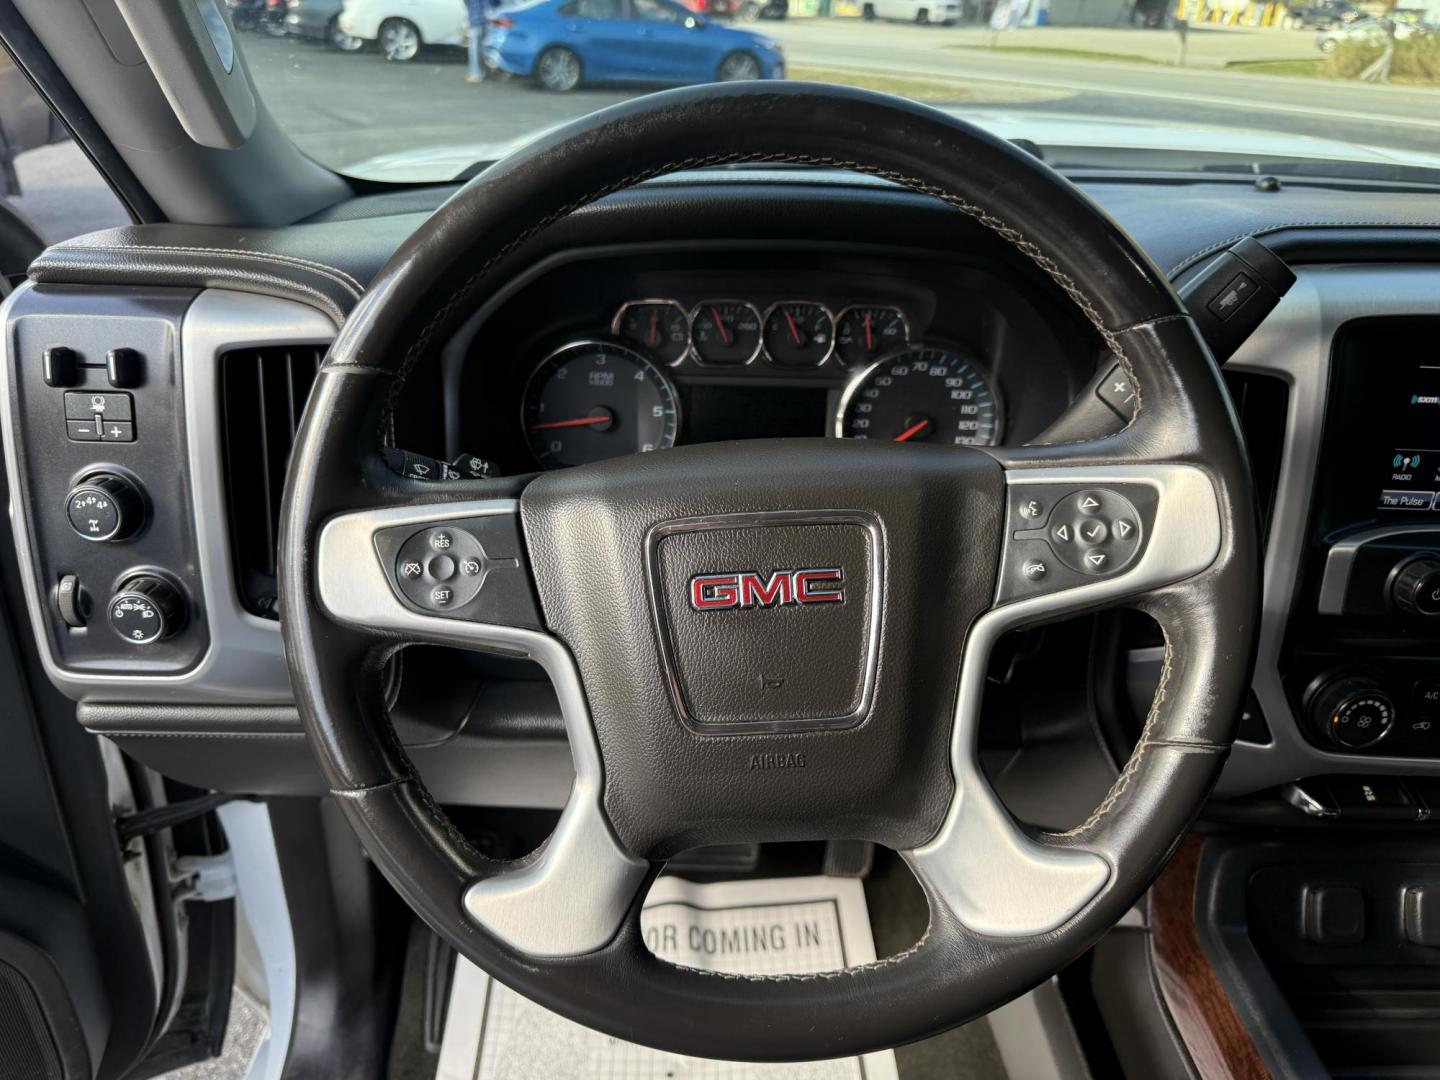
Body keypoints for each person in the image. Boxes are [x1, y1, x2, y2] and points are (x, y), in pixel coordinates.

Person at [466, 0, 489, 84]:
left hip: (476, 17)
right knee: (486, 47)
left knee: (475, 48)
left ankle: (476, 73)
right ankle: (483, 71)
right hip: (490, 18)